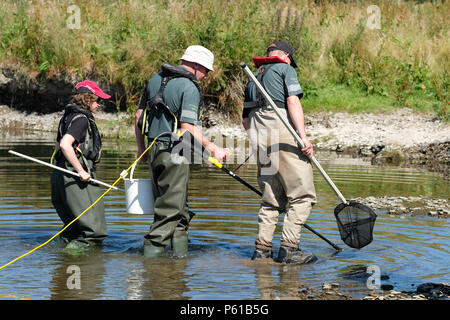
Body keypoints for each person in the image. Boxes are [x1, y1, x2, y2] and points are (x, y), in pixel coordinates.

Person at [135, 45, 229, 258]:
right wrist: (213, 148)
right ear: (196, 66)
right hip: (174, 151)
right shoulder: (190, 87)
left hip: (153, 149)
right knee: (170, 212)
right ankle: (152, 267)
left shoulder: (154, 79)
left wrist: (142, 149)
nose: (206, 75)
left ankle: (179, 260)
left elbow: (139, 117)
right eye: (205, 70)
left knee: (179, 210)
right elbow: (187, 128)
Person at [242, 41, 317, 264]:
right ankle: (289, 250)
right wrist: (303, 137)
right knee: (302, 195)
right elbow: (292, 101)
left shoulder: (253, 78)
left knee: (270, 198)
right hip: (280, 131)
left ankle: (262, 250)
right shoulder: (286, 70)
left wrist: (259, 141)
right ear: (286, 56)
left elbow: (245, 119)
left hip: (258, 135)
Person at [51, 80, 110, 250]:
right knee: (93, 231)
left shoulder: (67, 116)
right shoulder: (82, 120)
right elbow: (65, 144)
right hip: (75, 175)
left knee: (74, 228)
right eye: (98, 100)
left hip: (60, 174)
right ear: (87, 99)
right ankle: (79, 262)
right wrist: (81, 171)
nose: (99, 105)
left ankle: (64, 266)